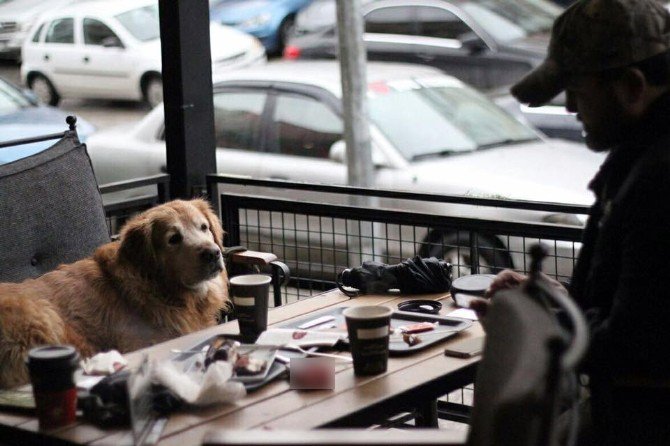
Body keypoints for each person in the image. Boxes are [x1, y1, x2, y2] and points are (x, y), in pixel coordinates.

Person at [476, 0, 670, 444]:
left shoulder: (658, 180)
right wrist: (555, 301)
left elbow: (633, 344)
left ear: (632, 87)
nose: (569, 109)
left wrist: (533, 327)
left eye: (579, 92)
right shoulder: (641, 156)